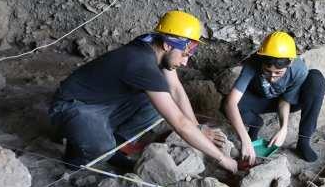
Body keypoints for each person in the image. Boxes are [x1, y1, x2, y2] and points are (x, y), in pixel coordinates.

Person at [49, 10, 238, 174]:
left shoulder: (151, 43)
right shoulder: (141, 64)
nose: (184, 62)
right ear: (167, 45)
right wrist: (222, 158)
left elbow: (175, 89)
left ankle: (114, 150)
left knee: (158, 103)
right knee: (101, 146)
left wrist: (198, 128)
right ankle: (77, 150)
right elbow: (180, 124)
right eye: (184, 54)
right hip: (71, 106)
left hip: (102, 101)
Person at [222, 31, 325, 164]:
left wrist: (283, 128)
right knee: (225, 105)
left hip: (288, 101)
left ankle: (303, 142)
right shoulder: (253, 62)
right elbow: (231, 103)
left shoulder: (298, 68)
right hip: (262, 99)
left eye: (278, 73)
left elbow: (285, 101)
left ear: (290, 62)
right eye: (267, 71)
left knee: (316, 80)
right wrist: (245, 140)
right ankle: (255, 125)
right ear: (261, 60)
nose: (272, 77)